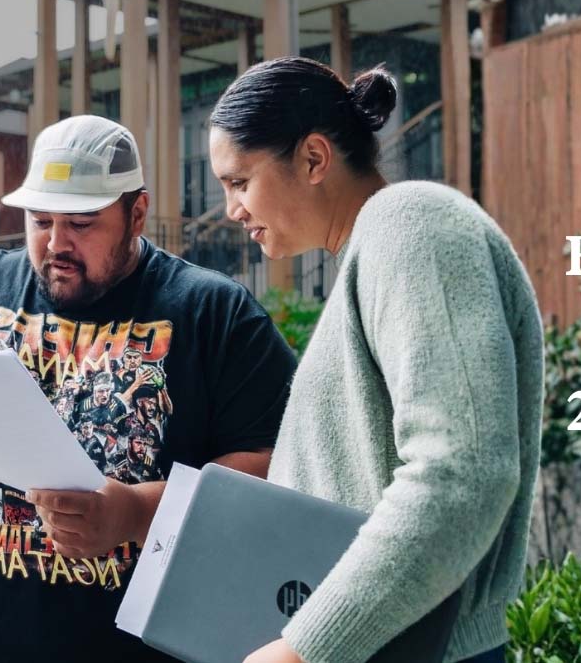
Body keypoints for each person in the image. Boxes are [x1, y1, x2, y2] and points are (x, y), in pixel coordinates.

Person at [0, 114, 297, 662]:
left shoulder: (214, 312)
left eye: (81, 223)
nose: (56, 243)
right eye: (40, 220)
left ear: (137, 214)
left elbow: (278, 469)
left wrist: (134, 511)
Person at [206, 57, 543, 663]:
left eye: (239, 182)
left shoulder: (411, 222)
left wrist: (307, 648)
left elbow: (464, 470)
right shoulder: (375, 250)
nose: (231, 210)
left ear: (312, 158)